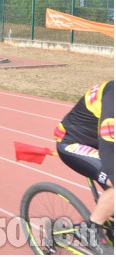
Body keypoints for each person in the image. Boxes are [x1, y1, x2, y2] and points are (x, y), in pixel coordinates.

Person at [54, 80, 113, 254]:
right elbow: (109, 146)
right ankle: (90, 228)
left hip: (104, 142)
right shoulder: (113, 97)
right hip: (74, 143)